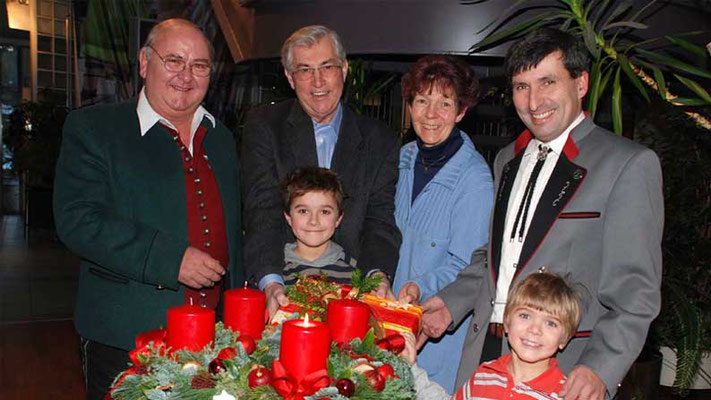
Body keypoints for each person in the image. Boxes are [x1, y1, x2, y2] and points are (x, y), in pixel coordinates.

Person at [418, 28, 663, 400]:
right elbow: (496, 258)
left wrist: (601, 367)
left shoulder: (627, 165)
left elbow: (636, 292)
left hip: (565, 369)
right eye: (521, 86)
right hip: (486, 358)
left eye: (547, 81)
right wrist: (450, 304)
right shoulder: (507, 160)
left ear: (581, 83)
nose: (534, 101)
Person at [53, 19, 243, 399]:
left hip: (217, 340)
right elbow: (78, 219)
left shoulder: (222, 137)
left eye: (200, 65)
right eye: (174, 60)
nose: (186, 76)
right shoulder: (95, 128)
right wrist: (170, 259)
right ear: (144, 63)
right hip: (127, 338)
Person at [241, 25, 401, 317]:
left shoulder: (380, 140)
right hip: (282, 293)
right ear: (290, 78)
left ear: (344, 69)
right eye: (305, 70)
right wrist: (271, 284)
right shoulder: (264, 127)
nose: (318, 81)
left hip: (351, 300)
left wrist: (376, 277)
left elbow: (380, 219)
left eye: (327, 66)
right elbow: (261, 210)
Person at [392, 55, 493, 392]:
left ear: (462, 111)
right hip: (390, 324)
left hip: (434, 333)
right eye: (421, 101)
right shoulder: (404, 159)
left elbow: (467, 265)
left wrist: (419, 285)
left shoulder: (475, 178)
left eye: (444, 103)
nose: (430, 114)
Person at [403, 271, 583, 400]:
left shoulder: (566, 394)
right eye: (525, 316)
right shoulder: (485, 375)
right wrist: (411, 368)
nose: (535, 329)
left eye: (550, 323)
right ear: (506, 322)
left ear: (565, 338)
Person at [281, 166, 357, 285]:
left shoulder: (354, 271)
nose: (313, 221)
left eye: (324, 212)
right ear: (288, 217)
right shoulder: (276, 270)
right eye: (303, 211)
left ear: (338, 219)